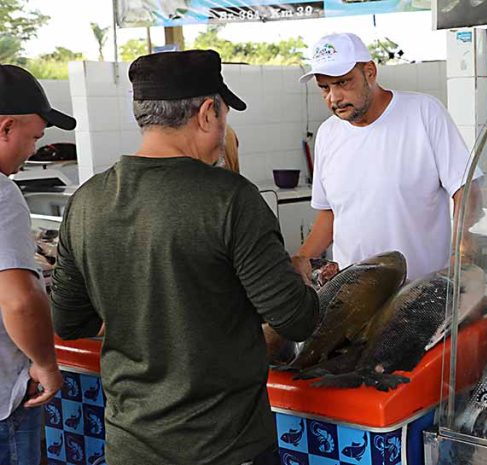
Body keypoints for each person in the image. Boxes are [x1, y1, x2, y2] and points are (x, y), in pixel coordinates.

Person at [50, 50, 320, 465]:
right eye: (224, 114)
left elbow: (69, 322)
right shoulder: (230, 199)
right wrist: (299, 276)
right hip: (226, 448)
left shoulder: (86, 201)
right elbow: (296, 319)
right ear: (208, 113)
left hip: (130, 447)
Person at [293, 32, 482, 281]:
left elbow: (466, 189)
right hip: (353, 293)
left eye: (343, 83)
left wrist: (461, 252)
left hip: (420, 290)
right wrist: (300, 260)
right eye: (324, 88)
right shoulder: (328, 133)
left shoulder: (423, 113)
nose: (334, 98)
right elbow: (330, 214)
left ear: (370, 72)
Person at [0, 64, 74, 464]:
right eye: (34, 139)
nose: (32, 151)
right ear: (6, 127)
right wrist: (46, 364)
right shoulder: (2, 194)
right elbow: (19, 301)